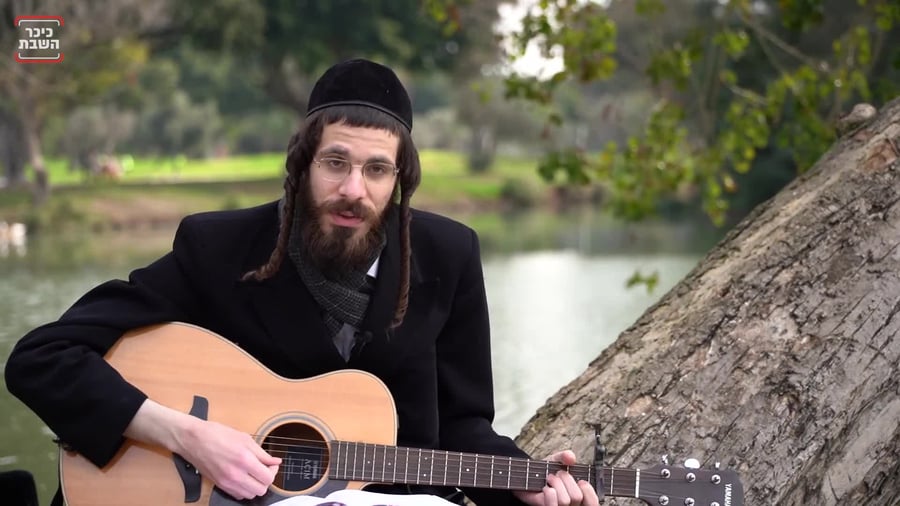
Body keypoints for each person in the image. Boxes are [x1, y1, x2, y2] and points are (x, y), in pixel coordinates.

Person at [4, 58, 599, 506]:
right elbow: (43, 358)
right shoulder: (219, 248)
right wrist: (188, 436)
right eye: (336, 163)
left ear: (400, 179)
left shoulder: (449, 255)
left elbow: (463, 424)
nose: (353, 190)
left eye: (376, 170)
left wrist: (523, 480)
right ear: (303, 163)